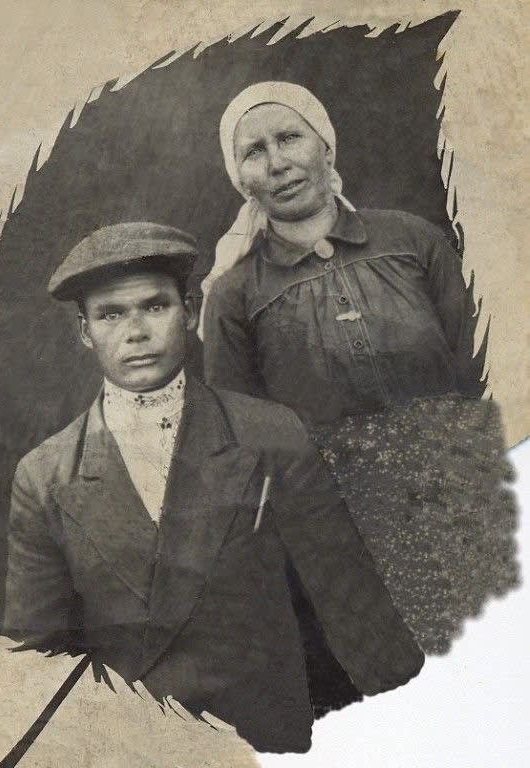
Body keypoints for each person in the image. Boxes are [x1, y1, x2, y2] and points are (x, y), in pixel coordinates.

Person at [2, 221, 424, 754]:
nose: (136, 332)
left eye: (155, 306)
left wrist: (408, 732)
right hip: (130, 748)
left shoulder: (269, 433)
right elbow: (38, 659)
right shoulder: (44, 475)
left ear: (188, 310)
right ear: (85, 332)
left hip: (261, 738)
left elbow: (352, 600)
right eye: (111, 314)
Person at [201, 81, 519, 655]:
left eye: (289, 138)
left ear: (325, 146)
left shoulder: (412, 240)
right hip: (342, 530)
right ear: (240, 177)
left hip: (462, 496)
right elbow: (241, 438)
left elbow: (481, 364)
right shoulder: (233, 296)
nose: (277, 163)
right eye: (254, 152)